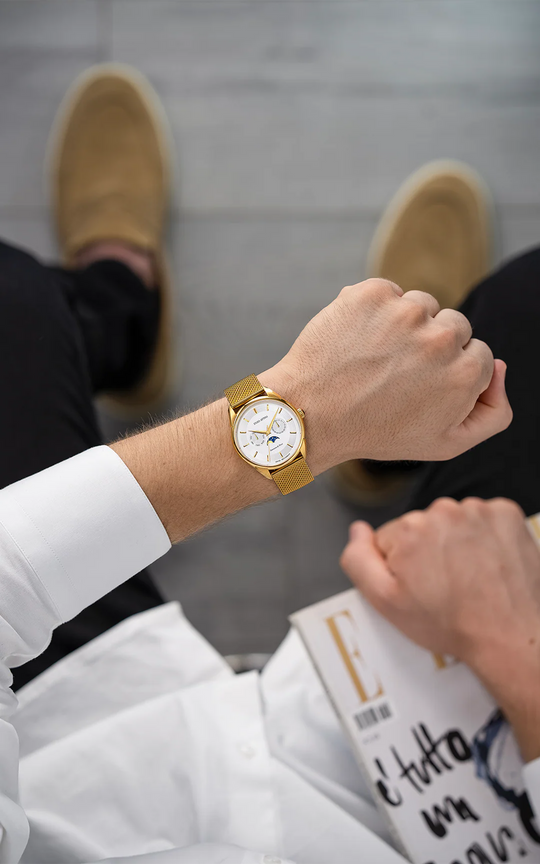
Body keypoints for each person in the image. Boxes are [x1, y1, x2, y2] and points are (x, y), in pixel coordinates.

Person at [0, 61, 529, 864]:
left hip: (53, 725)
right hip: (439, 804)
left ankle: (121, 309)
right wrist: (515, 655)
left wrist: (309, 416)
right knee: (529, 309)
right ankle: (424, 410)